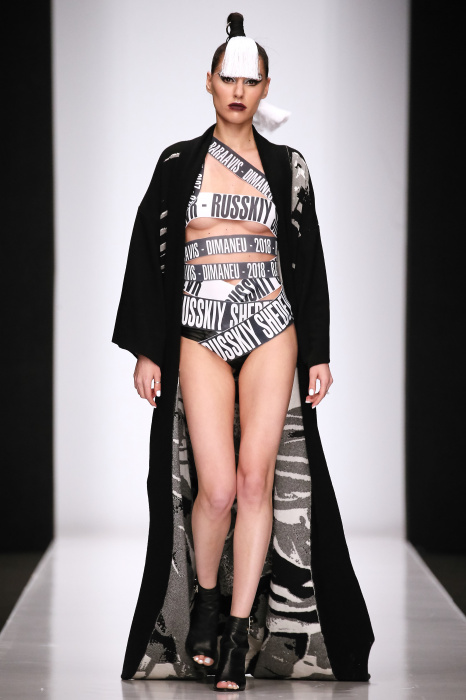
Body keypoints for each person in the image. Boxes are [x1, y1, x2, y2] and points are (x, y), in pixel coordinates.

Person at [113, 11, 374, 693]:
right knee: (219, 488)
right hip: (200, 328)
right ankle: (204, 603)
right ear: (208, 82)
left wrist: (317, 352)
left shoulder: (289, 167)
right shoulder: (178, 164)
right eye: (227, 78)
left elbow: (309, 263)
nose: (238, 90)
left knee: (258, 483)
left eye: (250, 80)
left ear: (265, 88)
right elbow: (148, 253)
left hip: (270, 326)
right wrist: (147, 349)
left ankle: (234, 637)